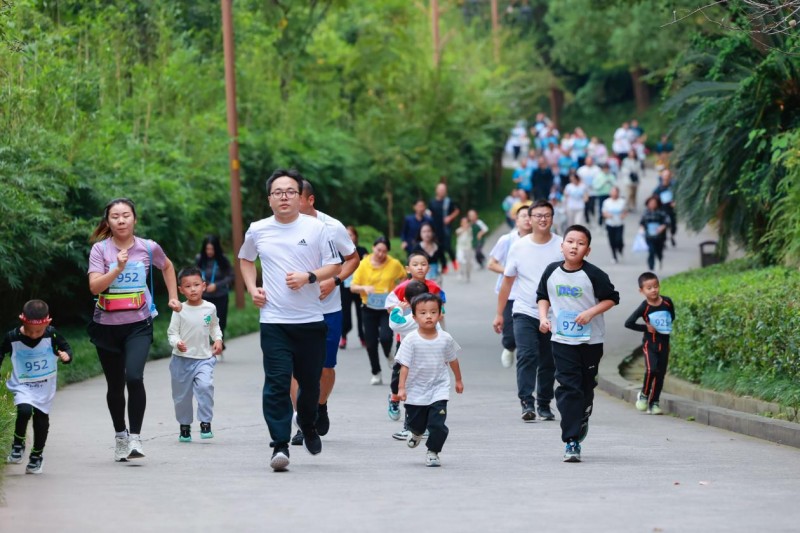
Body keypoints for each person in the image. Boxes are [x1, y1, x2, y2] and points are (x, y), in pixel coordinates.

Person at [238, 168, 341, 472]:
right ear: (269, 199)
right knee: (277, 383)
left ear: (300, 197)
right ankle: (279, 444)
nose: (284, 197)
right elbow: (245, 259)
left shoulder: (317, 228)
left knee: (310, 385)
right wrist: (251, 287)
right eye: (278, 192)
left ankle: (308, 425)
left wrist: (309, 276)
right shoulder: (258, 229)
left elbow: (334, 265)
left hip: (310, 320)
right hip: (274, 322)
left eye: (290, 191)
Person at [87, 197, 181, 462]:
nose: (121, 220)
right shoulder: (100, 251)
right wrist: (117, 268)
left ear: (134, 219)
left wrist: (173, 296)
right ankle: (120, 436)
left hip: (139, 324)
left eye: (126, 215)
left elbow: (168, 266)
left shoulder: (149, 248)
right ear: (108, 221)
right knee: (115, 386)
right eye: (115, 216)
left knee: (134, 377)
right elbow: (95, 288)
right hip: (106, 326)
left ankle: (136, 438)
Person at [537, 224, 620, 462]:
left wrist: (591, 313)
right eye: (570, 241)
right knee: (567, 387)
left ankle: (583, 413)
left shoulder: (594, 274)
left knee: (585, 387)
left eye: (580, 243)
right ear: (562, 246)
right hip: (562, 339)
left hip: (591, 341)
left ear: (588, 249)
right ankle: (571, 441)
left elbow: (612, 299)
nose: (574, 246)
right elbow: (542, 296)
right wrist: (544, 318)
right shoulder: (551, 271)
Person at [289, 178, 360, 446]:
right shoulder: (282, 227)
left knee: (325, 368)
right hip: (294, 311)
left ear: (310, 200)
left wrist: (335, 281)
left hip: (328, 309)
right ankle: (301, 420)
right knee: (293, 370)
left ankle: (320, 404)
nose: (291, 205)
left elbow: (353, 259)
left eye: (297, 199)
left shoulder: (332, 227)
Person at [493, 201, 563, 422]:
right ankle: (526, 402)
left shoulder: (562, 245)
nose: (543, 219)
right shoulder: (519, 246)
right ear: (530, 219)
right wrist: (499, 314)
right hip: (524, 310)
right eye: (538, 215)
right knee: (527, 354)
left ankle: (544, 403)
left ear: (552, 218)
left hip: (554, 313)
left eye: (547, 215)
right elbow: (507, 283)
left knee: (548, 359)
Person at [2, 300, 72, 474]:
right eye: (30, 330)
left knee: (41, 420)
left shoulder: (52, 335)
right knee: (24, 410)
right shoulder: (12, 337)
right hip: (22, 384)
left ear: (47, 322)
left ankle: (36, 456)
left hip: (45, 387)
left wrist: (66, 356)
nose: (34, 335)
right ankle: (18, 445)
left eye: (38, 331)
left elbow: (67, 349)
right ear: (21, 320)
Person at [397, 293, 464, 467]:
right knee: (416, 424)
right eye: (423, 313)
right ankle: (416, 433)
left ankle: (433, 451)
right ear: (414, 317)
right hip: (415, 389)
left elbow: (453, 360)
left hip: (438, 388)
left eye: (433, 312)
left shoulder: (445, 338)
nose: (429, 316)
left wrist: (458, 380)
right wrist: (401, 388)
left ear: (440, 314)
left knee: (438, 424)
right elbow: (404, 366)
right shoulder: (410, 340)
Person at [167, 267, 223, 442]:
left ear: (204, 286)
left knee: (205, 387)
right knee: (181, 397)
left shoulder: (210, 308)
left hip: (204, 358)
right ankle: (184, 426)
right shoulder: (179, 310)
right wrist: (178, 342)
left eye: (196, 285)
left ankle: (205, 422)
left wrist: (218, 339)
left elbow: (214, 326)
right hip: (181, 361)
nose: (193, 289)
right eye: (188, 286)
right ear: (180, 289)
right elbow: (172, 333)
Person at [350, 236, 407, 385]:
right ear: (373, 248)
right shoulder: (363, 264)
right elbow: (353, 286)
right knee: (370, 342)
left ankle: (388, 352)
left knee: (386, 337)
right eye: (378, 250)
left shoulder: (393, 264)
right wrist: (364, 288)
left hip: (386, 308)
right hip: (368, 308)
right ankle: (376, 372)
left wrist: (396, 292)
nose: (381, 254)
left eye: (384, 251)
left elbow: (404, 278)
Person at [487, 203, 532, 368]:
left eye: (530, 216)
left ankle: (527, 358)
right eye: (523, 216)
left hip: (531, 293)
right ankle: (508, 346)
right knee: (509, 329)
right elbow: (491, 264)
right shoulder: (507, 240)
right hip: (510, 292)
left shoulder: (540, 240)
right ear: (516, 220)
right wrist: (510, 271)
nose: (527, 219)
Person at [624, 272, 675, 416]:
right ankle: (644, 395)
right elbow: (628, 323)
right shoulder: (644, 307)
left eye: (656, 286)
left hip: (664, 343)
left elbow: (672, 316)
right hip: (649, 344)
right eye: (649, 288)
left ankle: (654, 403)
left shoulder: (667, 302)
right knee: (652, 369)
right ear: (642, 291)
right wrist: (646, 327)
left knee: (660, 374)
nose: (653, 290)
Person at [196, 235, 234, 345]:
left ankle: (218, 342)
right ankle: (206, 344)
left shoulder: (223, 259)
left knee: (220, 322)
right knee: (205, 321)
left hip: (220, 296)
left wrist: (216, 285)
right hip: (205, 297)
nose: (209, 252)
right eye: (207, 249)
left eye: (212, 249)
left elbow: (231, 276)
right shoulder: (199, 259)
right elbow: (195, 274)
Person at [340, 225, 368, 350]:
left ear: (355, 236)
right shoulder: (338, 251)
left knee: (361, 313)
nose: (348, 237)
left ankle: (363, 337)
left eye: (350, 234)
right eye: (346, 235)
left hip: (359, 287)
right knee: (345, 314)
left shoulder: (362, 250)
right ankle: (343, 337)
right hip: (344, 287)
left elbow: (368, 267)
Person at [428, 182, 460, 273]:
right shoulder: (432, 202)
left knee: (448, 246)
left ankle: (454, 261)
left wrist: (450, 217)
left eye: (443, 190)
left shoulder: (448, 201)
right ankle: (444, 266)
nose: (442, 191)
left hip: (446, 228)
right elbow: (429, 212)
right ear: (436, 191)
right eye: (440, 189)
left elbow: (457, 210)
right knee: (439, 248)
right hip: (435, 229)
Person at [640, 196, 670, 270]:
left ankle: (659, 259)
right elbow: (642, 222)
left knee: (659, 250)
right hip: (649, 236)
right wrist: (641, 229)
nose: (652, 205)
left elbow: (667, 221)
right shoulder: (646, 212)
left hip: (660, 236)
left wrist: (662, 227)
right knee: (651, 250)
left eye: (654, 203)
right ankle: (651, 266)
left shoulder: (661, 212)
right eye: (651, 203)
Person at [601, 187, 627, 264]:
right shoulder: (606, 202)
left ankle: (620, 248)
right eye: (612, 192)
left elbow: (625, 211)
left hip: (619, 224)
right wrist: (607, 215)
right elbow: (603, 212)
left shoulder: (622, 201)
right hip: (610, 224)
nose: (614, 194)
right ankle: (614, 256)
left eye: (616, 192)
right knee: (612, 241)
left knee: (619, 240)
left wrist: (623, 215)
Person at [653, 169, 677, 247]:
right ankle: (663, 240)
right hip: (662, 208)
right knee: (663, 224)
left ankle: (672, 235)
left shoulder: (673, 187)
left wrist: (675, 202)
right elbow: (654, 196)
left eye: (667, 176)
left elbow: (678, 196)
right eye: (664, 175)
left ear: (670, 177)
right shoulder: (659, 187)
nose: (666, 177)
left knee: (673, 225)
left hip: (671, 208)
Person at [619, 148, 642, 213]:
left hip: (635, 179)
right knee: (629, 193)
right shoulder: (625, 160)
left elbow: (639, 170)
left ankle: (633, 205)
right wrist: (629, 172)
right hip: (628, 179)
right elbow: (623, 169)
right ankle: (627, 205)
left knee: (634, 193)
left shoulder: (637, 161)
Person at [455, 217, 474, 282]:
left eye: (466, 222)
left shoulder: (470, 229)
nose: (465, 223)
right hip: (460, 248)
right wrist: (464, 228)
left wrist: (468, 227)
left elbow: (471, 235)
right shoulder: (458, 230)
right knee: (460, 260)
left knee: (468, 263)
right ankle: (460, 272)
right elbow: (458, 233)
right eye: (463, 222)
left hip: (468, 248)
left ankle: (467, 274)